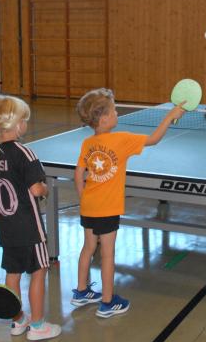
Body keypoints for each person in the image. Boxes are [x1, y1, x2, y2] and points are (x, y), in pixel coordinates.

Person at [71, 88, 185, 318]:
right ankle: (107, 302)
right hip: (108, 209)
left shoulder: (87, 143)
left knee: (88, 248)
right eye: (114, 110)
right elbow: (154, 139)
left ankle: (81, 291)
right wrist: (171, 116)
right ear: (104, 119)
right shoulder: (121, 140)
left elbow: (78, 173)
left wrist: (85, 198)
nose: (117, 113)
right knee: (108, 254)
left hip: (89, 206)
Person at [0, 95, 61, 341]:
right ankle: (37, 326)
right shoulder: (24, 153)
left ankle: (17, 320)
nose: (26, 124)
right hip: (29, 228)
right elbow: (36, 189)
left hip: (6, 229)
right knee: (39, 271)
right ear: (17, 125)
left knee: (13, 273)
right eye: (24, 120)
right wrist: (46, 188)